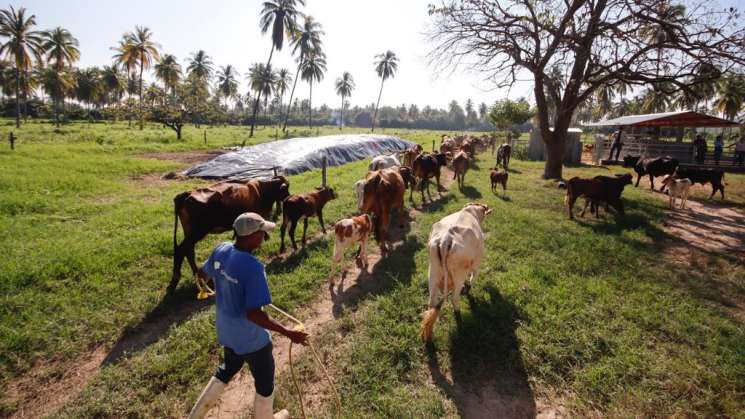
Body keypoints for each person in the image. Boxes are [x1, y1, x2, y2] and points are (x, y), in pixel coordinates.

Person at [188, 212, 309, 419]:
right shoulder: (254, 268)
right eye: (262, 232)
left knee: (227, 369)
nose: (264, 236)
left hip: (227, 332)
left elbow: (202, 273)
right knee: (265, 384)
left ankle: (194, 416)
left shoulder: (222, 249)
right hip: (252, 341)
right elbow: (254, 315)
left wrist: (221, 284)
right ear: (252, 236)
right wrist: (288, 332)